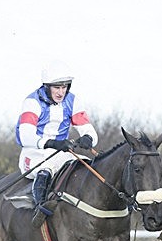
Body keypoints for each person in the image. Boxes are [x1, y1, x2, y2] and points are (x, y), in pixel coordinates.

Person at [15, 61, 99, 227]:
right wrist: (52, 143)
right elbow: (25, 136)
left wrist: (88, 138)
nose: (61, 92)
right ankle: (40, 210)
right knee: (45, 171)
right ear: (47, 86)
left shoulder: (72, 101)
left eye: (64, 87)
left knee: (85, 167)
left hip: (61, 153)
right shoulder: (32, 102)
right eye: (57, 88)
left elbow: (89, 130)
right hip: (34, 153)